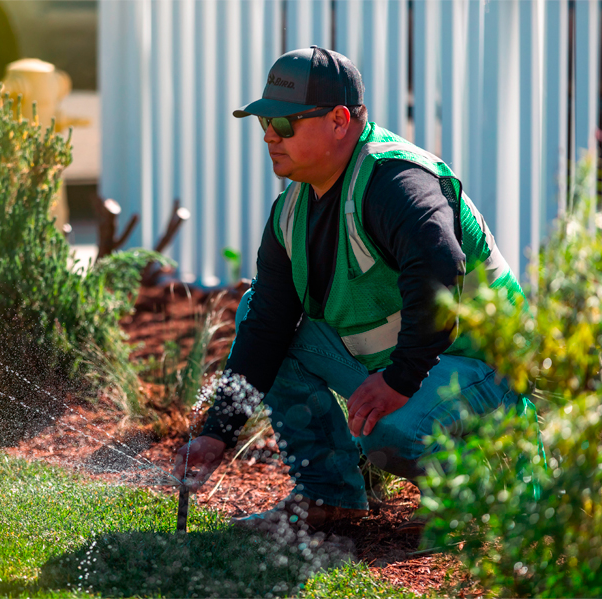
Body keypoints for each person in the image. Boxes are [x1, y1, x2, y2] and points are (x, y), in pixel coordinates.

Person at [172, 46, 529, 532]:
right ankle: (330, 495)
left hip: (490, 367)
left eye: (285, 124)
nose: (270, 138)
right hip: (422, 363)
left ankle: (482, 501)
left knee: (391, 432)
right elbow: (267, 328)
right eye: (264, 126)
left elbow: (441, 267)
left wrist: (400, 380)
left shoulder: (396, 181)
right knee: (260, 307)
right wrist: (218, 432)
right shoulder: (292, 211)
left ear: (340, 120)